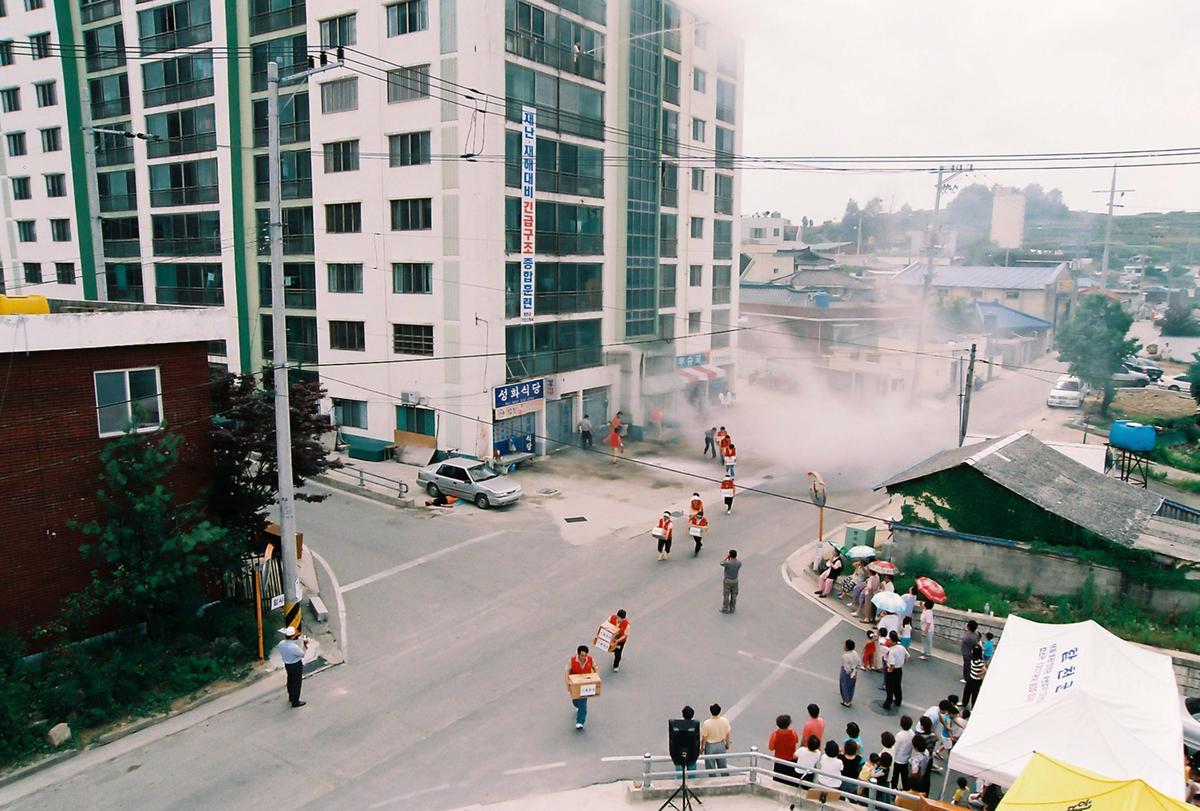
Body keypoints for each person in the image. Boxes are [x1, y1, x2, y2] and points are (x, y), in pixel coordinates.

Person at [565, 645, 597, 729]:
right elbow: (567, 671)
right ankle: (578, 706)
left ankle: (580, 721)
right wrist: (567, 681)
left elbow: (595, 667)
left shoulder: (590, 660)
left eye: (585, 655)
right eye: (582, 655)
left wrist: (596, 676)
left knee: (583, 701)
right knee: (576, 701)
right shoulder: (571, 661)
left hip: (586, 683)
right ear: (578, 654)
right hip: (575, 684)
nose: (584, 657)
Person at [278, 626, 308, 708]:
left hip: (287, 665)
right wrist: (305, 645)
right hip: (295, 665)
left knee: (290, 680)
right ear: (293, 636)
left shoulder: (281, 644)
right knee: (296, 683)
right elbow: (302, 654)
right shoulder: (293, 647)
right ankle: (295, 701)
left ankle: (291, 696)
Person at [768, 714, 800, 786]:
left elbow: (771, 748)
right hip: (791, 760)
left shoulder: (775, 735)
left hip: (779, 761)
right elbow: (796, 741)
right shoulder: (793, 733)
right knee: (789, 780)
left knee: (778, 780)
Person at [701, 703, 732, 776]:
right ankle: (726, 779)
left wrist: (702, 748)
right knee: (723, 766)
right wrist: (727, 744)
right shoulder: (725, 721)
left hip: (710, 746)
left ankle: (713, 780)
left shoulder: (707, 723)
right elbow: (727, 734)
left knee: (710, 767)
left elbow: (704, 738)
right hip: (720, 745)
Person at [882, 630, 908, 711]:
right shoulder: (902, 647)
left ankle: (888, 703)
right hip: (899, 669)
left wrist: (889, 670)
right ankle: (898, 700)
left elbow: (892, 663)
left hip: (892, 670)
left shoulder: (892, 651)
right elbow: (907, 656)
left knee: (890, 688)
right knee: (897, 686)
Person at [891, 715, 914, 790]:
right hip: (906, 759)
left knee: (895, 777)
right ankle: (906, 790)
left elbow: (895, 748)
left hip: (898, 760)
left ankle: (894, 790)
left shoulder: (899, 735)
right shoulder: (912, 733)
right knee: (905, 777)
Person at [962, 644, 987, 709]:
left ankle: (973, 707)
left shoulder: (979, 661)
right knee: (966, 691)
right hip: (971, 677)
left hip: (976, 680)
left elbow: (985, 669)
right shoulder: (973, 658)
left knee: (974, 694)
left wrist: (980, 674)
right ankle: (964, 703)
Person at [839, 639, 860, 707]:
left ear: (847, 647)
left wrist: (848, 672)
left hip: (846, 673)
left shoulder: (845, 656)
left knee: (844, 686)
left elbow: (846, 668)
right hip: (854, 671)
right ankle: (849, 699)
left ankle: (846, 701)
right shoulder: (855, 653)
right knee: (851, 686)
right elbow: (859, 662)